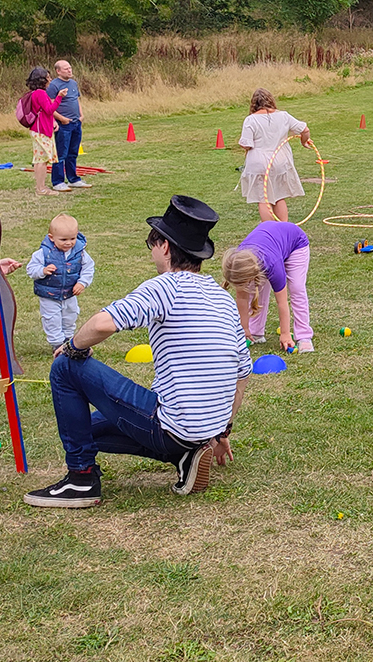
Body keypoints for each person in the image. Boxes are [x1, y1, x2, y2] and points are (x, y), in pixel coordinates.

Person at [23, 196, 249, 509]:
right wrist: (222, 430)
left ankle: (81, 478)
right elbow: (242, 372)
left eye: (151, 242)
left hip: (172, 424)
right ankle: (186, 455)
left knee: (65, 367)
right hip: (206, 428)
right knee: (83, 430)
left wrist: (72, 346)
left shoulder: (165, 286)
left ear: (166, 247)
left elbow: (103, 323)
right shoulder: (220, 297)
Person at [222, 220, 313, 353]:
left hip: (295, 243)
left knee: (297, 288)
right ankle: (255, 332)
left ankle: (304, 336)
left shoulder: (272, 265)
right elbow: (242, 299)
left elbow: (282, 302)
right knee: (255, 289)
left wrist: (285, 333)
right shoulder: (238, 263)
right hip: (269, 245)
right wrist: (244, 329)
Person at [238, 89, 313, 222]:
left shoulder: (250, 120)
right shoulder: (283, 116)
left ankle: (270, 231)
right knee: (279, 196)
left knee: (263, 198)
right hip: (280, 161)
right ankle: (283, 229)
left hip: (259, 162)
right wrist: (304, 141)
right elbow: (304, 129)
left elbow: (246, 144)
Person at [27, 214, 96, 348]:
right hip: (49, 294)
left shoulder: (79, 252)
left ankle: (68, 339)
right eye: (63, 239)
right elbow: (31, 269)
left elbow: (88, 268)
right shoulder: (44, 253)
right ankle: (57, 344)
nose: (69, 243)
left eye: (73, 238)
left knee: (70, 316)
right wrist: (42, 271)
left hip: (69, 293)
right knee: (52, 319)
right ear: (51, 238)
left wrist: (82, 282)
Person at [47, 60, 89, 191]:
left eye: (70, 68)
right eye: (66, 69)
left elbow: (76, 99)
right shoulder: (54, 86)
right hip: (63, 124)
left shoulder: (73, 83)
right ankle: (58, 181)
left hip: (76, 123)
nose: (69, 70)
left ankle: (73, 179)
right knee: (61, 153)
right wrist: (62, 119)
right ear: (58, 71)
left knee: (73, 152)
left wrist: (81, 115)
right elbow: (50, 107)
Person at [23, 66, 65, 196]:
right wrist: (59, 97)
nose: (50, 80)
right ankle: (41, 188)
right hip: (41, 130)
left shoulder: (35, 93)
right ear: (42, 80)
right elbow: (49, 109)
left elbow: (44, 111)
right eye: (48, 77)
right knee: (42, 159)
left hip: (39, 128)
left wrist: (52, 122)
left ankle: (40, 186)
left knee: (39, 158)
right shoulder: (40, 93)